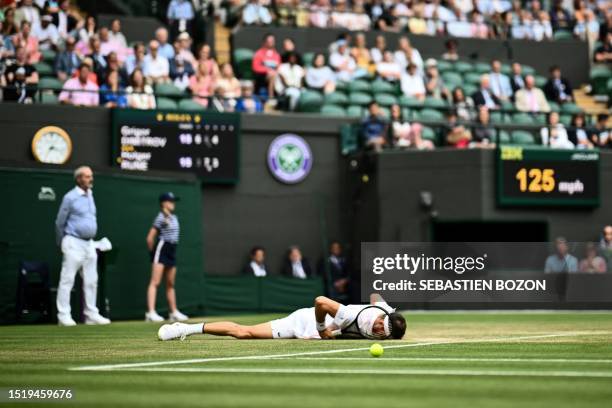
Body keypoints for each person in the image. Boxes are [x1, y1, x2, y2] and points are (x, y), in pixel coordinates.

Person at [158, 293, 407, 340]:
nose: (375, 331)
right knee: (244, 333)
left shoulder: (385, 315)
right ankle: (184, 329)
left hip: (319, 328)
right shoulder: (347, 315)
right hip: (302, 322)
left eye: (380, 333)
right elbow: (320, 301)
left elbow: (375, 295)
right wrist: (322, 329)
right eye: (378, 327)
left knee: (243, 334)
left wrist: (385, 310)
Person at [55, 166, 111, 326]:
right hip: (72, 242)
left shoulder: (90, 194)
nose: (90, 179)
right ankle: (63, 315)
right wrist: (62, 243)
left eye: (91, 176)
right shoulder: (69, 197)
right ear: (79, 179)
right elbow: (59, 222)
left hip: (89, 244)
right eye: (87, 176)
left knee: (91, 280)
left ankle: (91, 314)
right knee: (67, 280)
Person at [145, 192, 188, 323]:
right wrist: (153, 254)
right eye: (170, 201)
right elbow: (149, 238)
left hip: (172, 249)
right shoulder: (160, 217)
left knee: (170, 283)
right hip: (162, 248)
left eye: (173, 201)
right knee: (155, 282)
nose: (172, 203)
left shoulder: (174, 217)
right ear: (163, 203)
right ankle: (150, 313)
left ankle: (173, 312)